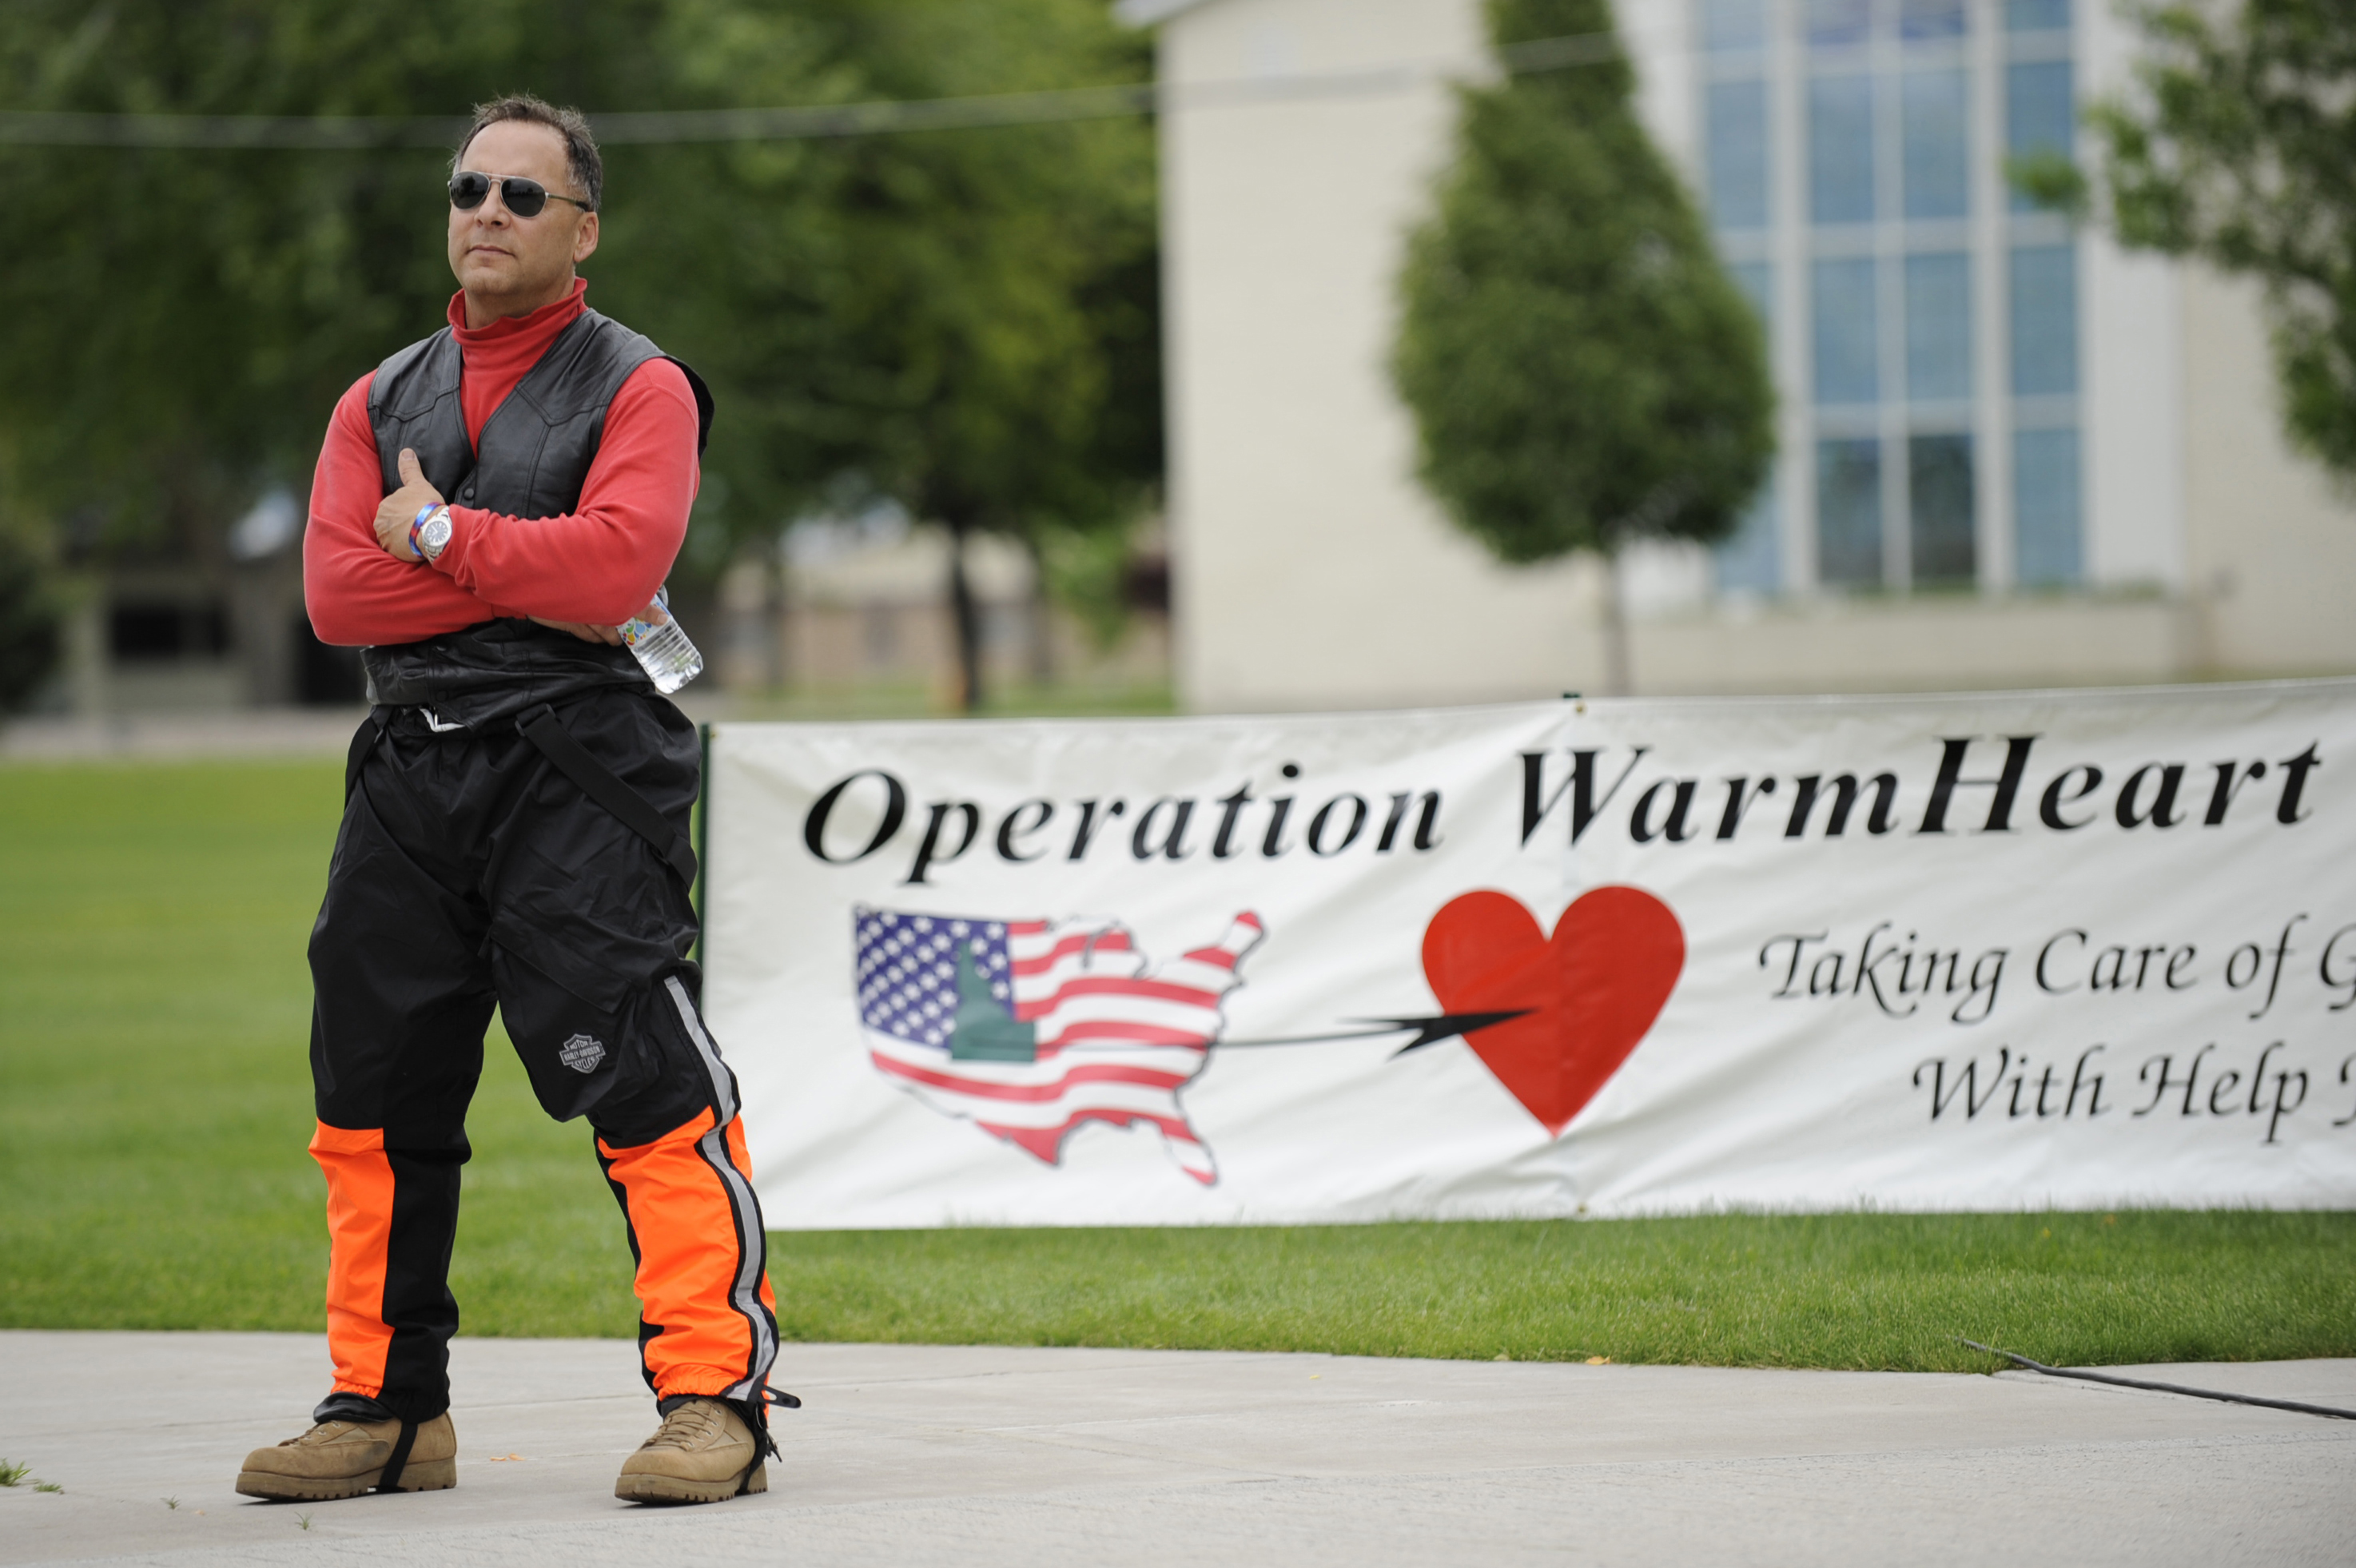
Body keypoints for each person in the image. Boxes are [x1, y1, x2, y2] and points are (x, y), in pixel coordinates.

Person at [234, 94, 786, 1508]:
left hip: (579, 768)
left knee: (645, 1081)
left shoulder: (642, 386)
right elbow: (335, 594)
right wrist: (526, 567)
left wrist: (431, 529)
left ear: (583, 229)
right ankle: (385, 1409)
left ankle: (714, 1398)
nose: (487, 210)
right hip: (409, 773)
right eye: (469, 188)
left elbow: (617, 573)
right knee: (370, 1094)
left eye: (523, 195)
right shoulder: (376, 398)